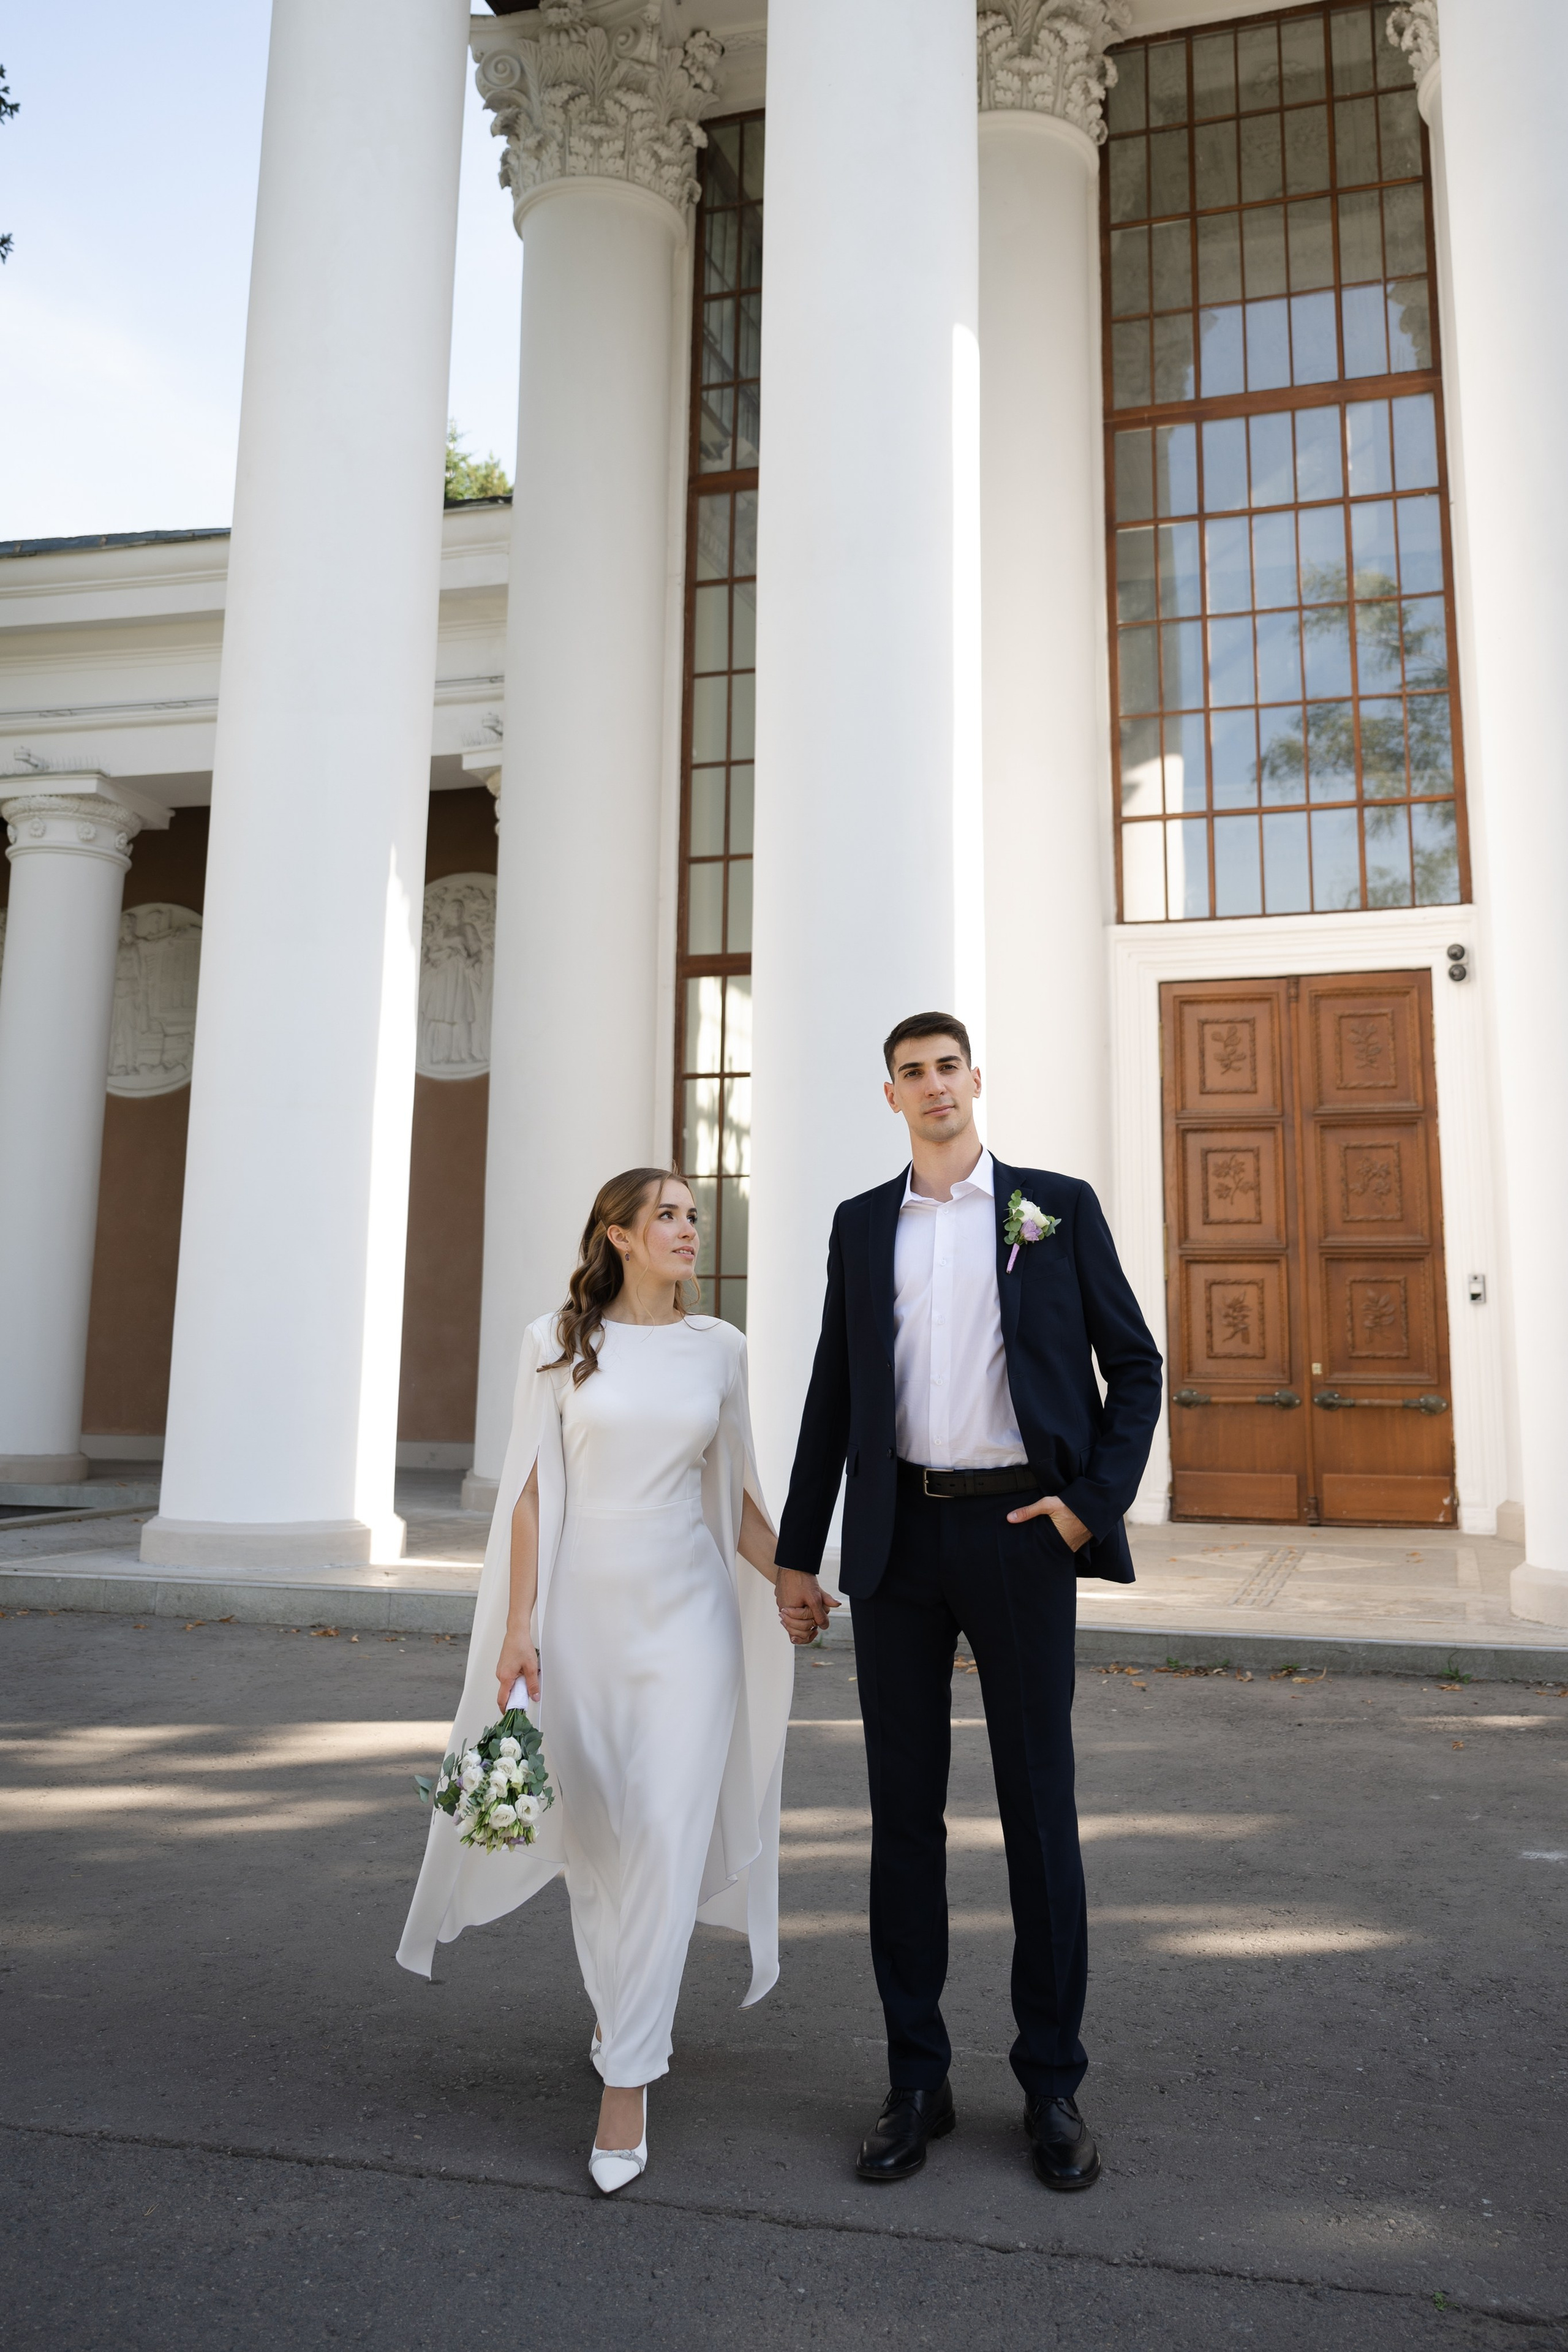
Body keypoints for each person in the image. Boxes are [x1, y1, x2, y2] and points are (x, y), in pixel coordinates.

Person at [773, 1016, 1162, 2192]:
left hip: (1019, 1535)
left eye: (950, 1068)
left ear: (975, 1082)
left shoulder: (1055, 1207)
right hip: (898, 1545)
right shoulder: (859, 1223)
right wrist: (801, 1552)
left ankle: (1052, 2084)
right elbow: (834, 1394)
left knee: (1040, 1810)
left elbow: (1134, 1364)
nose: (934, 1087)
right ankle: (917, 2080)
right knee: (904, 1819)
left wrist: (1091, 1504)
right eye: (912, 1073)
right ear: (887, 1095)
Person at [398, 1167, 810, 2194]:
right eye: (666, 1215)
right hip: (582, 1612)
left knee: (665, 1832)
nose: (687, 1228)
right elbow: (533, 1497)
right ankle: (623, 1997)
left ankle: (626, 2080)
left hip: (689, 1619)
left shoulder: (722, 1351)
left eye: (691, 1214)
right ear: (619, 1237)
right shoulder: (557, 1341)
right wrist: (518, 1627)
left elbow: (742, 1499)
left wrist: (795, 1580)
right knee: (599, 1843)